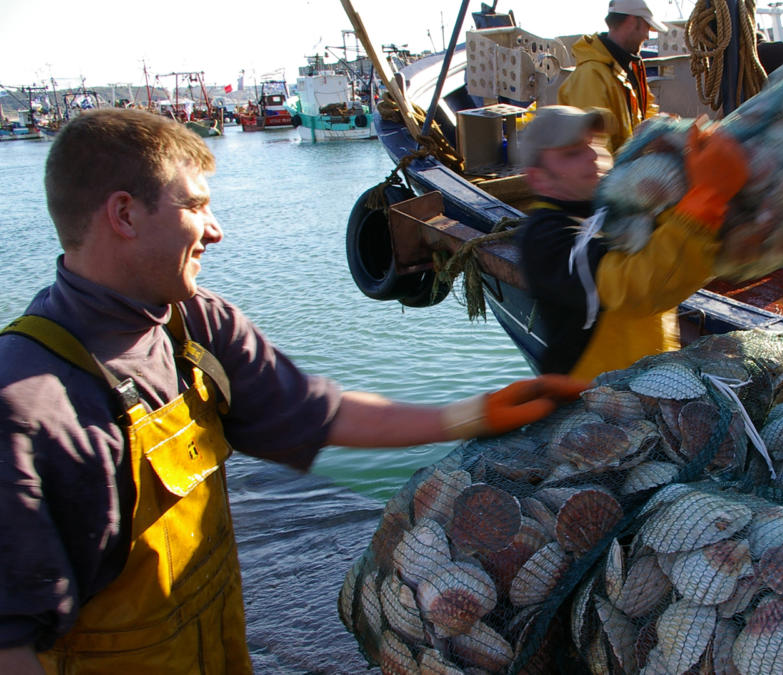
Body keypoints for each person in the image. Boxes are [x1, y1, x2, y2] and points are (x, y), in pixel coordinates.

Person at [0, 108, 588, 674]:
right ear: (123, 215)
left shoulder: (196, 326)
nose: (216, 230)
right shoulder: (27, 404)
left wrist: (475, 414)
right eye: (195, 206)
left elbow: (319, 414)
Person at [517, 105, 748, 380]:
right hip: (591, 400)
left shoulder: (613, 211)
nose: (593, 156)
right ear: (538, 178)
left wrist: (672, 164)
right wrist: (707, 197)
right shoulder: (545, 238)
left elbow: (676, 257)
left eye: (594, 144)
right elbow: (634, 287)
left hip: (649, 382)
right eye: (573, 153)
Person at [557, 0, 668, 154]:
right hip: (616, 174)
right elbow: (595, 155)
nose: (647, 35)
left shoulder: (631, 65)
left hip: (631, 168)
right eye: (646, 27)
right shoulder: (591, 75)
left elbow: (646, 112)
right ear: (631, 21)